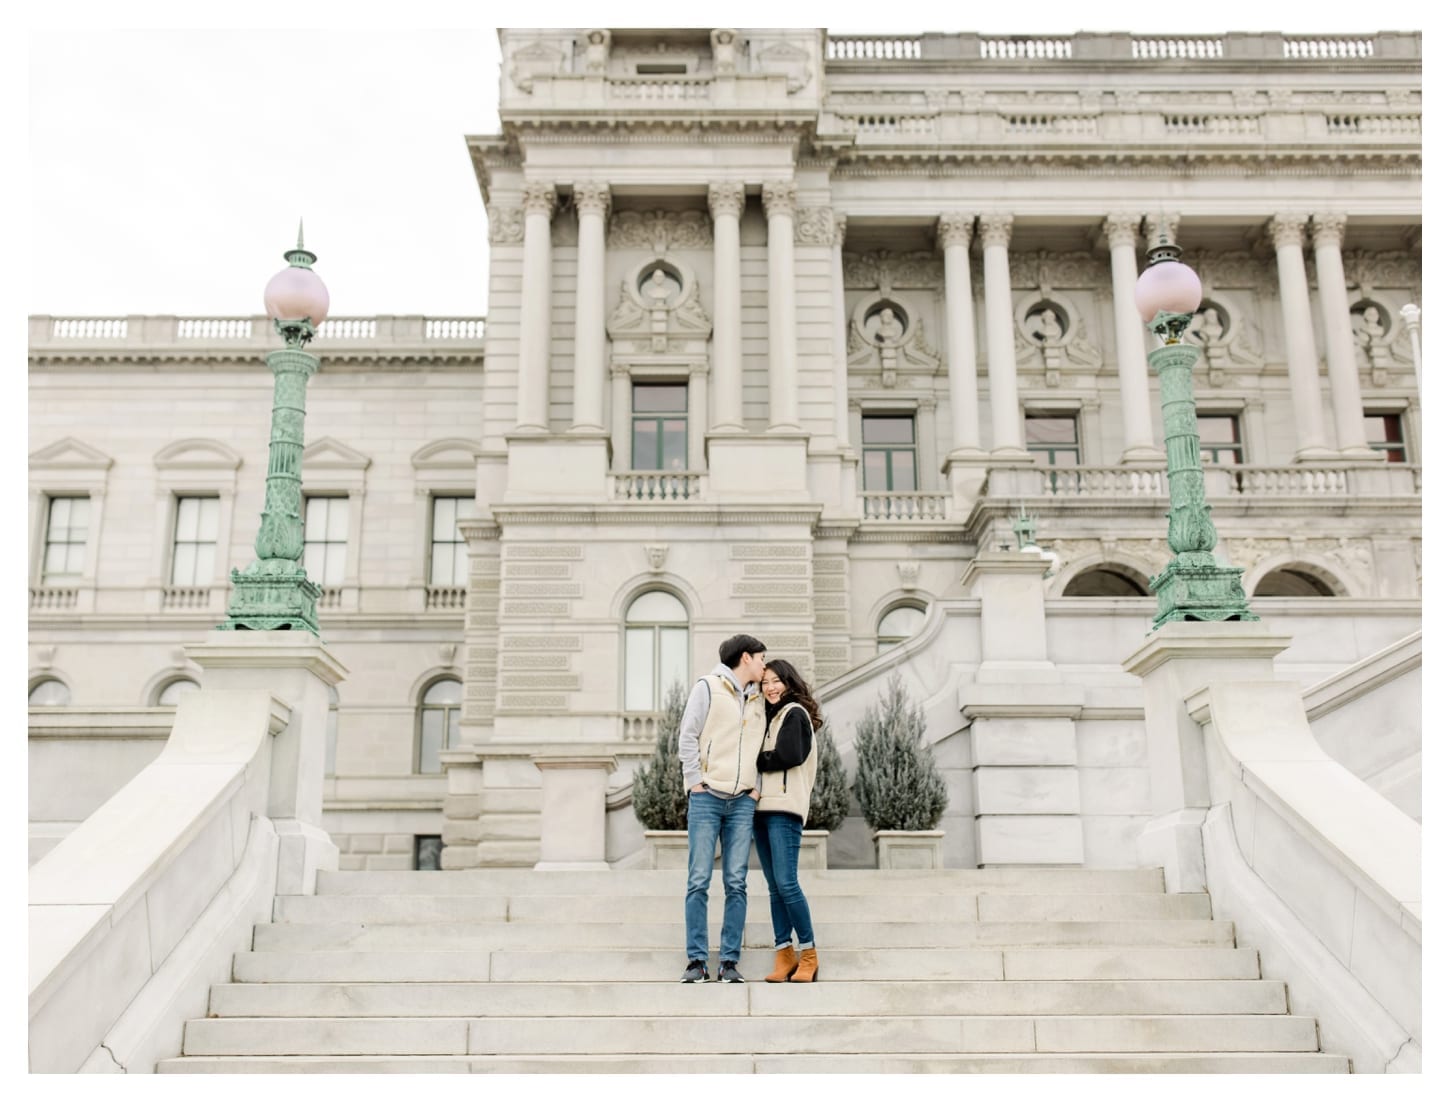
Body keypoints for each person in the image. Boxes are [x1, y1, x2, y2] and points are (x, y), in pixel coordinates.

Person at [677, 633, 768, 983]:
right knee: (699, 879)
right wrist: (695, 782)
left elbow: (761, 746)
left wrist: (755, 788)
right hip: (707, 797)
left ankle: (729, 962)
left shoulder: (758, 698)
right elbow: (687, 735)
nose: (764, 664)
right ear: (746, 657)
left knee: (737, 882)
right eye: (761, 658)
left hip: (742, 801)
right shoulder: (708, 687)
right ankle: (696, 961)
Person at [753, 658, 822, 983]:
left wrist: (753, 759)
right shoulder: (767, 717)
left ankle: (808, 953)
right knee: (774, 888)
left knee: (787, 883)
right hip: (761, 811)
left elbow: (788, 755)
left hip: (784, 808)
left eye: (777, 681)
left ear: (789, 683)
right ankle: (784, 953)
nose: (770, 687)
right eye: (765, 682)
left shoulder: (795, 714)